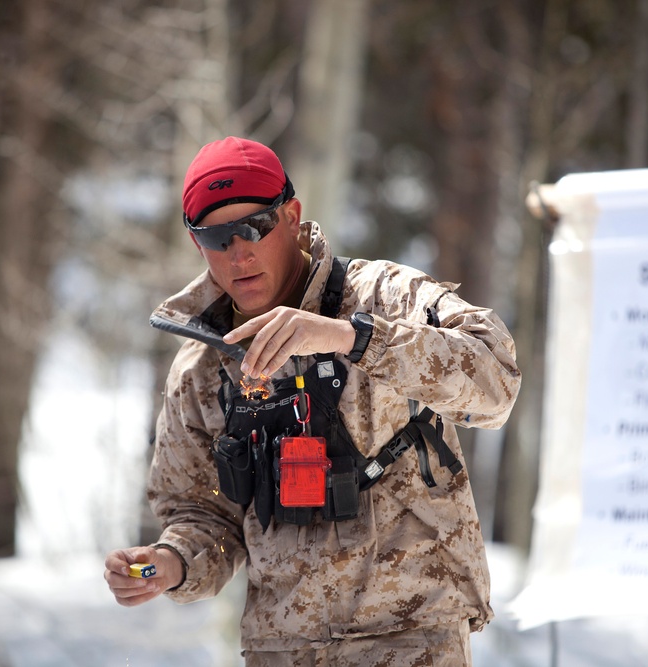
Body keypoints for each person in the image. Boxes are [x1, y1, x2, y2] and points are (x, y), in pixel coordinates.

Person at [104, 136, 521, 666]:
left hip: (410, 638)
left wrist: (353, 337)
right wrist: (170, 561)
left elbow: (496, 381)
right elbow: (203, 512)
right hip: (283, 649)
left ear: (293, 217)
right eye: (218, 237)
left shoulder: (380, 296)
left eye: (256, 226)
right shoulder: (202, 366)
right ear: (196, 244)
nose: (240, 251)